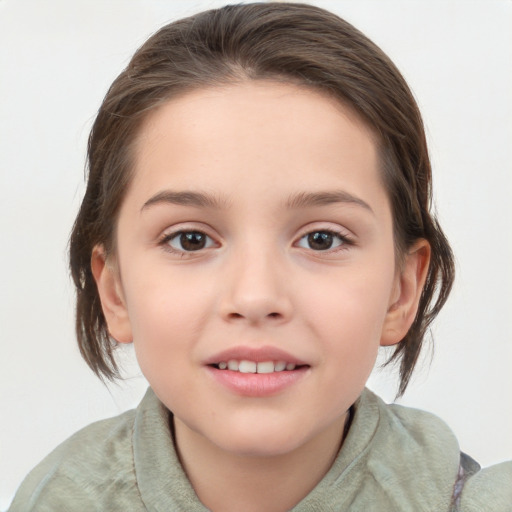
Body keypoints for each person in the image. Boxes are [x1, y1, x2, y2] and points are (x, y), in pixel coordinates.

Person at [8, 3, 511, 511]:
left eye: (322, 239)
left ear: (401, 291)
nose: (255, 297)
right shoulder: (55, 499)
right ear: (113, 291)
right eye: (190, 240)